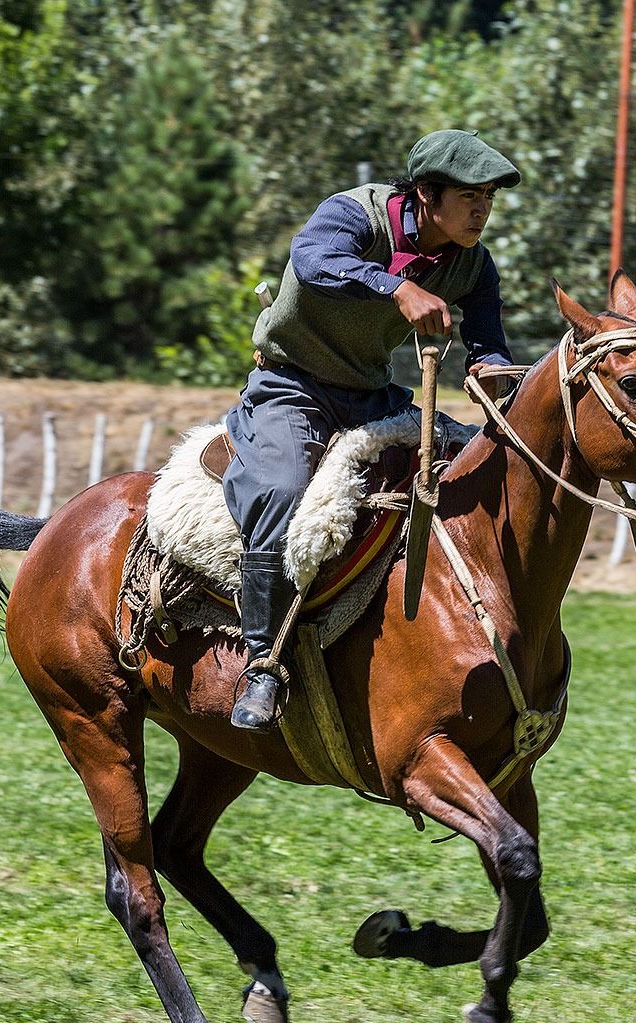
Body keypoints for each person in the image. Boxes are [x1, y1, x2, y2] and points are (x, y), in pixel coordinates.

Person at [223, 128, 522, 732]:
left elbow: (488, 344)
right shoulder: (353, 214)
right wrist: (398, 288)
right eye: (470, 195)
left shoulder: (473, 265)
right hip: (291, 387)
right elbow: (313, 263)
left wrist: (492, 372)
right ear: (426, 194)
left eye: (489, 197)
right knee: (281, 493)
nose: (482, 209)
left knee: (477, 457)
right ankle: (261, 666)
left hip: (371, 398)